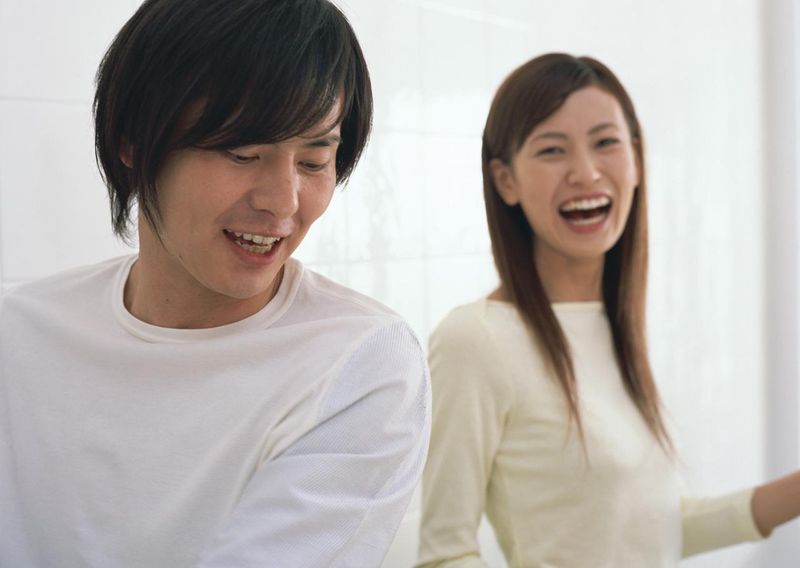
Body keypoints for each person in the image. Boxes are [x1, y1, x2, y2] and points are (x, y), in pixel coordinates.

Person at [0, 1, 430, 566]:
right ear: (134, 142)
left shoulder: (358, 362)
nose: (283, 202)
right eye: (242, 153)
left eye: (313, 160)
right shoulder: (21, 333)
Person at [416, 53, 800, 567]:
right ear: (505, 181)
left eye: (605, 143)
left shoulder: (611, 322)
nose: (586, 172)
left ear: (636, 160)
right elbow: (444, 555)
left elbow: (651, 530)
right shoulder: (474, 340)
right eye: (552, 150)